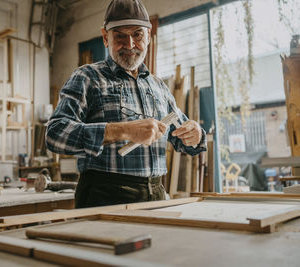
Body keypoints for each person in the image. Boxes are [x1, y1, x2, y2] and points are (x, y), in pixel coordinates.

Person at [46, 0, 206, 208]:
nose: (130, 45)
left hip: (156, 194)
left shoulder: (159, 86)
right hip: (103, 196)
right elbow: (55, 134)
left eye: (137, 35)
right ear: (105, 37)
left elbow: (183, 138)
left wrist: (196, 134)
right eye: (120, 36)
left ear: (148, 36)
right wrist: (122, 131)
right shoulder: (87, 77)